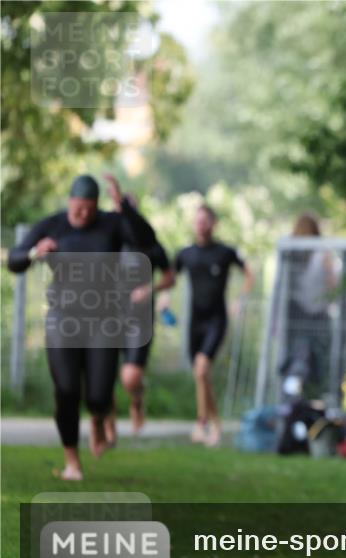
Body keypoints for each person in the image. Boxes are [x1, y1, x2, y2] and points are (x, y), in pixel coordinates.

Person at [6, 173, 157, 481]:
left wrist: (125, 209)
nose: (84, 214)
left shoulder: (111, 224)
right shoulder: (53, 225)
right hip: (63, 319)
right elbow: (15, 259)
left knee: (100, 394)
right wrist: (36, 253)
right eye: (79, 208)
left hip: (104, 320)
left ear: (97, 205)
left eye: (90, 208)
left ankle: (100, 417)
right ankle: (72, 461)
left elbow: (147, 242)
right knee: (66, 391)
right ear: (70, 202)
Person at [173, 204, 254, 447]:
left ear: (214, 223)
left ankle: (202, 423)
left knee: (201, 369)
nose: (201, 224)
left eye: (205, 220)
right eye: (197, 220)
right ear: (193, 223)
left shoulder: (225, 252)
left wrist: (240, 299)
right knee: (202, 375)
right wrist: (164, 298)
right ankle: (216, 426)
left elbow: (250, 273)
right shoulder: (185, 253)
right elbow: (170, 276)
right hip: (195, 322)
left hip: (216, 320)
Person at [118, 194, 176, 434]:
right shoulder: (111, 240)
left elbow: (170, 277)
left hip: (140, 317)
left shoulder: (151, 244)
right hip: (109, 314)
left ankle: (137, 398)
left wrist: (149, 289)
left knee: (130, 377)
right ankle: (106, 424)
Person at [281, 212, 338, 399]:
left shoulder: (314, 252)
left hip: (303, 316)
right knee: (310, 358)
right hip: (307, 315)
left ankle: (299, 393)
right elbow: (334, 284)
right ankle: (303, 393)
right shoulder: (295, 252)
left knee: (303, 355)